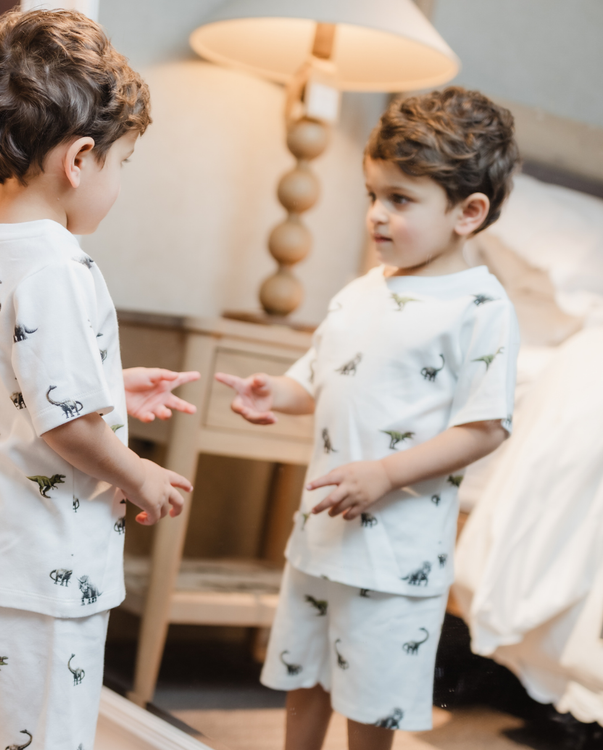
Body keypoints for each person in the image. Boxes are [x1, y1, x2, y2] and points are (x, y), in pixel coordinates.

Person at [216, 87, 521, 750]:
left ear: (468, 212)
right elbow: (320, 375)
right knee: (306, 677)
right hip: (322, 535)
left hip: (395, 558)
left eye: (401, 200)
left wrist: (385, 473)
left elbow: (486, 426)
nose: (377, 215)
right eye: (373, 195)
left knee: (370, 698)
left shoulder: (479, 308)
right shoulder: (361, 290)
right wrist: (278, 392)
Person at [0, 10, 198, 750]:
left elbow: (14, 379)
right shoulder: (58, 265)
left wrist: (111, 381)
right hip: (47, 567)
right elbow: (67, 423)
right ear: (80, 159)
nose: (119, 184)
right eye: (122, 164)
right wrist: (139, 474)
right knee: (48, 736)